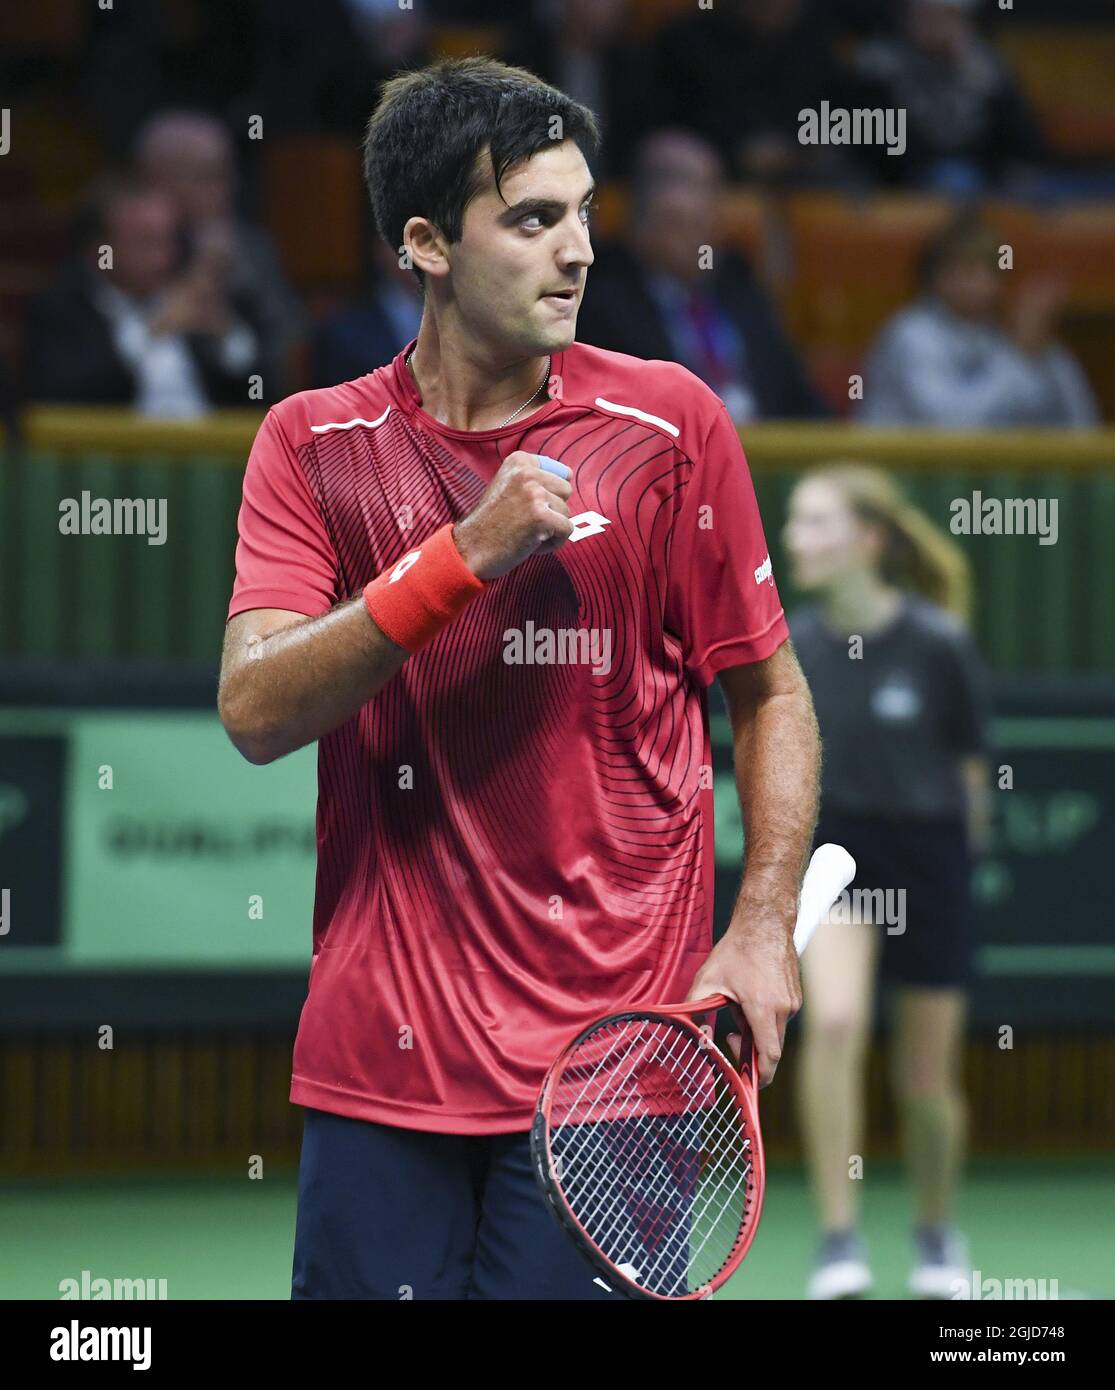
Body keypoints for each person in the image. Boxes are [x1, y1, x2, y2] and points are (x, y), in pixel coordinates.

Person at [218, 57, 820, 1301]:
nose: (578, 250)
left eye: (584, 213)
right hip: (381, 1070)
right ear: (426, 244)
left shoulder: (670, 428)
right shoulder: (312, 442)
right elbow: (257, 707)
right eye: (534, 219)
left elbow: (770, 693)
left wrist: (760, 922)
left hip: (614, 1074)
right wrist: (462, 556)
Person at [783, 463, 992, 1299]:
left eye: (814, 522)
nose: (794, 538)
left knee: (925, 1079)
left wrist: (965, 865)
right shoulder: (793, 644)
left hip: (930, 854)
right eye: (794, 522)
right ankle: (838, 1241)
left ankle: (935, 1232)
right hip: (838, 850)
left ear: (866, 540)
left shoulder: (939, 643)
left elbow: (971, 767)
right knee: (833, 1023)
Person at [575, 130, 828, 422]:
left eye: (709, 216)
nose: (701, 237)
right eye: (680, 223)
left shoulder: (740, 288)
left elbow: (803, 402)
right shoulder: (600, 304)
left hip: (764, 446)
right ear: (640, 218)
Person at [22, 174, 272, 415]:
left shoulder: (205, 302)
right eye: (144, 242)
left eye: (168, 240)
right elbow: (61, 397)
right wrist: (151, 331)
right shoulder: (59, 311)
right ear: (99, 249)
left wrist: (228, 334)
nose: (162, 258)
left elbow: (263, 395)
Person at [858, 216, 1099, 428]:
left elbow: (1080, 421)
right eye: (967, 270)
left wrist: (1041, 349)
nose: (981, 282)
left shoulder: (1004, 333)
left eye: (990, 270)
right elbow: (951, 427)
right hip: (896, 463)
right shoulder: (910, 334)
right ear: (936, 275)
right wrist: (1020, 354)